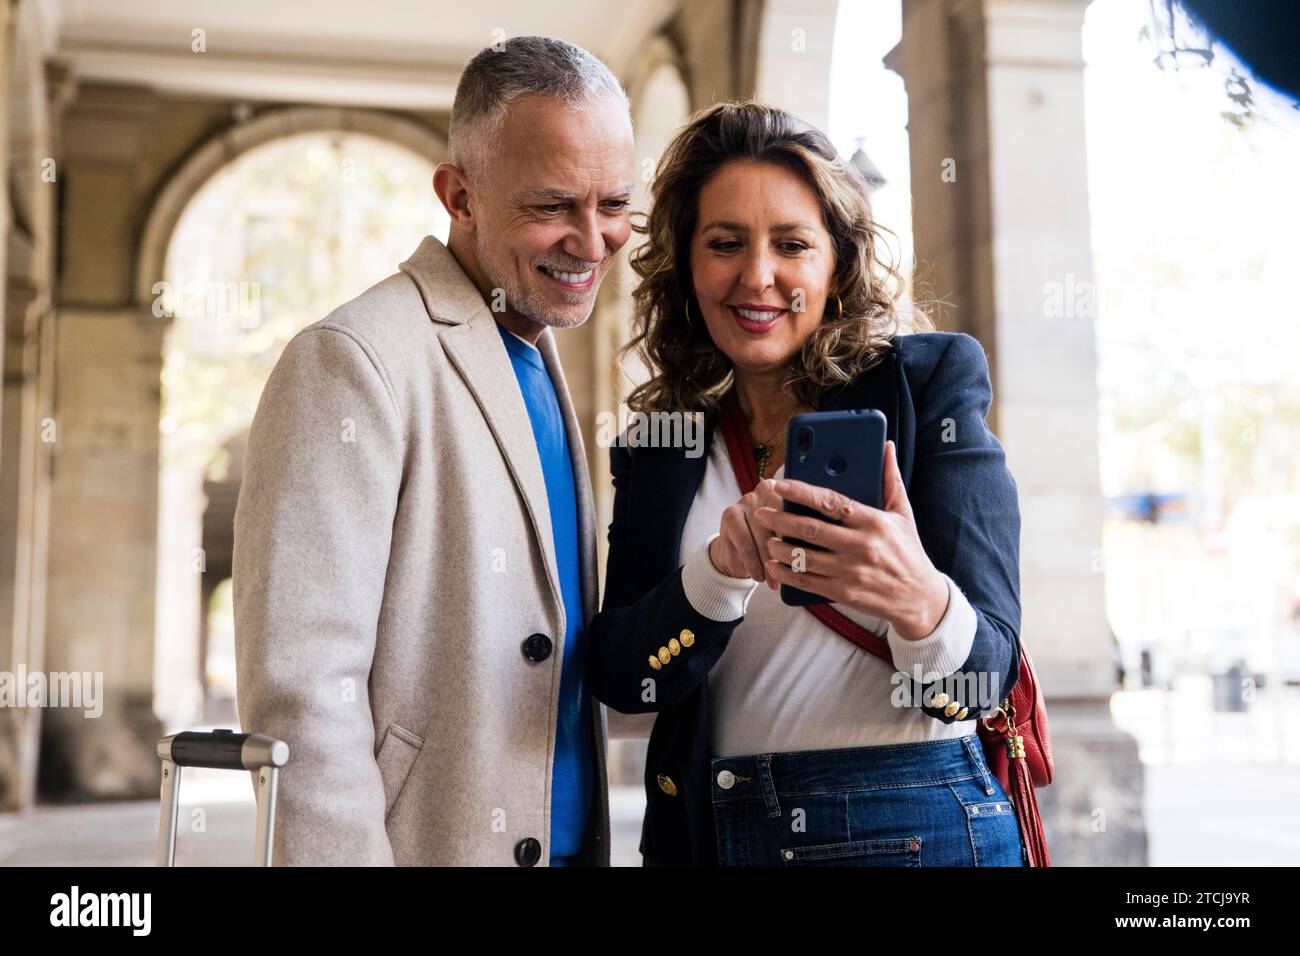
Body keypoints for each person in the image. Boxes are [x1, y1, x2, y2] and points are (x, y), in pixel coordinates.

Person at [586, 100, 1026, 867]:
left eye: (792, 244)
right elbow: (623, 677)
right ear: (687, 267)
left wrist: (916, 598)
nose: (758, 277)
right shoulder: (660, 444)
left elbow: (987, 684)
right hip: (708, 834)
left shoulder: (930, 387)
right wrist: (716, 577)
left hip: (916, 822)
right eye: (725, 243)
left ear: (837, 263)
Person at [233, 36, 636, 866]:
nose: (592, 242)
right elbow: (302, 693)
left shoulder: (540, 353)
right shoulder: (351, 359)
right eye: (553, 205)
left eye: (614, 205)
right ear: (459, 196)